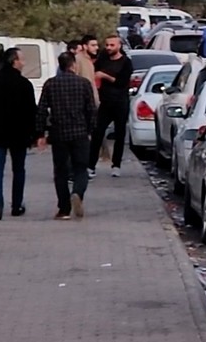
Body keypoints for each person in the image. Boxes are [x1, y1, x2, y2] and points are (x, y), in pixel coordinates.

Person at [0, 48, 38, 220]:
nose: (24, 63)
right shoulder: (24, 84)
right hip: (18, 135)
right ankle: (17, 204)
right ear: (14, 61)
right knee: (18, 169)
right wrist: (33, 134)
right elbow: (30, 112)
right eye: (22, 59)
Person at [36, 52, 97, 220]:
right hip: (80, 132)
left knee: (61, 171)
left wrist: (40, 133)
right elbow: (91, 110)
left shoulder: (50, 84)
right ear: (73, 65)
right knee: (81, 168)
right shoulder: (83, 83)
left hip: (59, 134)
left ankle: (64, 209)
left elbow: (41, 110)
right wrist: (90, 130)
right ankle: (77, 192)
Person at [90, 35, 134, 177]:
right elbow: (94, 72)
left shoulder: (126, 62)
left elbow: (121, 82)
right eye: (107, 45)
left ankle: (116, 165)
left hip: (120, 102)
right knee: (97, 132)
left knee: (120, 134)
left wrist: (105, 76)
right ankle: (91, 165)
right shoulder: (103, 59)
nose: (109, 48)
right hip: (105, 102)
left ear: (119, 46)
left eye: (112, 45)